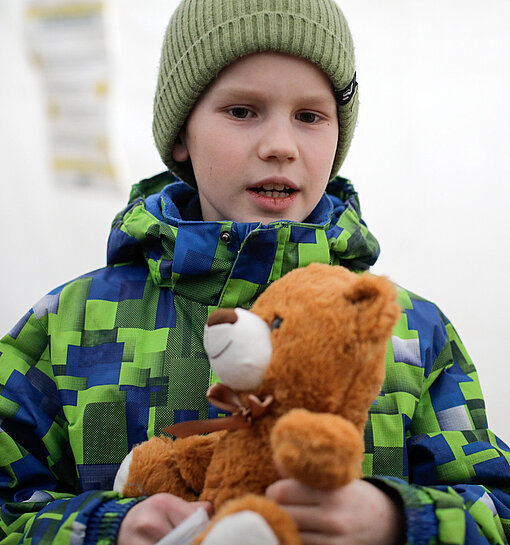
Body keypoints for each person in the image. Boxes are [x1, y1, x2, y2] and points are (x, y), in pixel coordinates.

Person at [1, 1, 509, 544]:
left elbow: (497, 506)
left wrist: (396, 519)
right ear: (181, 135)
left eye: (310, 117)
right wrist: (104, 528)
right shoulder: (66, 324)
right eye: (242, 111)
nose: (280, 146)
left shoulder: (407, 330)